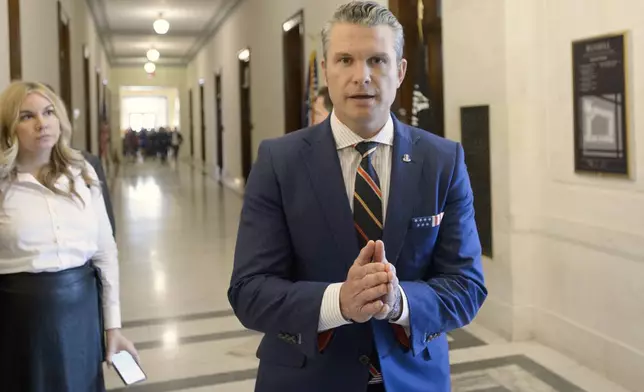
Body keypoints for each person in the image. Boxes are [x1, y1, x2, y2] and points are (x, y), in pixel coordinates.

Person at [228, 2, 486, 392]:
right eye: (345, 59)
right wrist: (339, 303)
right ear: (326, 71)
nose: (361, 76)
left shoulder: (443, 160)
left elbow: (467, 286)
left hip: (413, 379)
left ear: (399, 72)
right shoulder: (278, 161)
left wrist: (399, 303)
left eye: (377, 60)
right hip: (306, 379)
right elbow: (249, 291)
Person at [0, 81, 138, 391]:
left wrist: (112, 325)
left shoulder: (83, 173)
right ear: (9, 128)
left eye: (48, 112)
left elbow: (105, 253)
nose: (42, 124)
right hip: (19, 321)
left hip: (81, 314)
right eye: (26, 116)